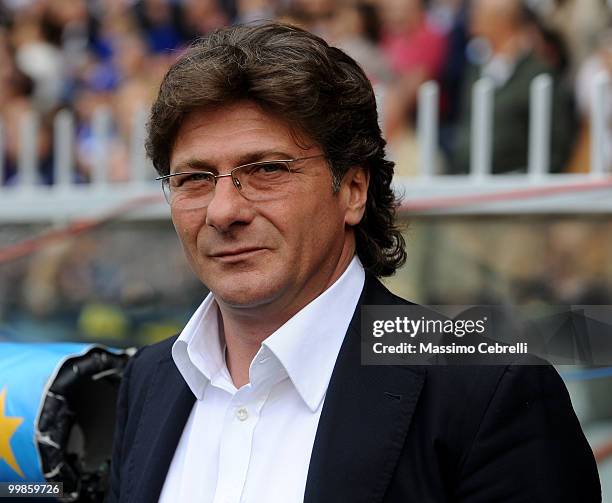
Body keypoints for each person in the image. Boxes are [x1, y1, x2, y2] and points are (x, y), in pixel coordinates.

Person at [106, 22, 600, 503]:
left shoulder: (485, 388)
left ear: (354, 191)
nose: (223, 211)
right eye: (194, 178)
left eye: (266, 170)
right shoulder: (149, 380)